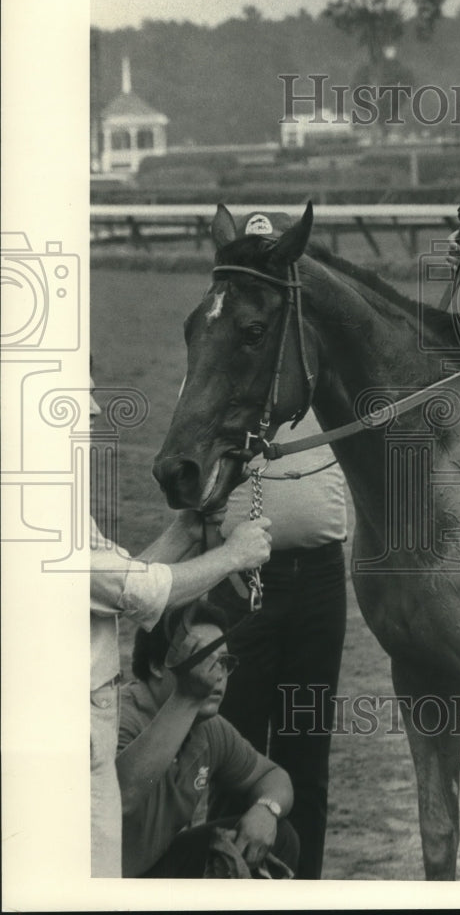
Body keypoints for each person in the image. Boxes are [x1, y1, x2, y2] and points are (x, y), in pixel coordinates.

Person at [89, 372, 274, 877]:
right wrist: (233, 556)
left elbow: (121, 579)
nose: (95, 415)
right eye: (79, 404)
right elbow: (137, 592)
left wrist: (188, 528)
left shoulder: (63, 514)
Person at [209, 390, 348, 880]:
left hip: (320, 580)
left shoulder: (322, 377)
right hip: (239, 578)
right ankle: (229, 886)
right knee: (233, 749)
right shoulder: (226, 369)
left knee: (306, 753)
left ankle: (301, 887)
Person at [116, 601, 300, 878]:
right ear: (156, 664)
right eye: (202, 659)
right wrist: (187, 698)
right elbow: (120, 797)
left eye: (223, 662)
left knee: (280, 837)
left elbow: (274, 776)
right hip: (94, 888)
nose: (217, 675)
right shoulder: (119, 717)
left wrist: (267, 809)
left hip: (153, 873)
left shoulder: (209, 728)